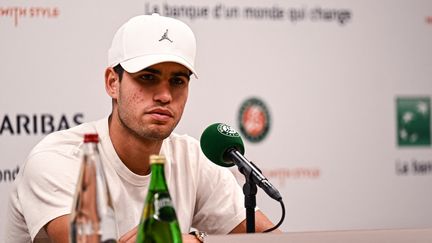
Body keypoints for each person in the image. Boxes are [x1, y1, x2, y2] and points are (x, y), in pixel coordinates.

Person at [5, 14, 277, 243]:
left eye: (178, 81)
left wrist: (191, 239)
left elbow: (271, 238)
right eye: (147, 77)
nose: (164, 95)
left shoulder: (191, 157)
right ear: (112, 82)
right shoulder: (61, 158)